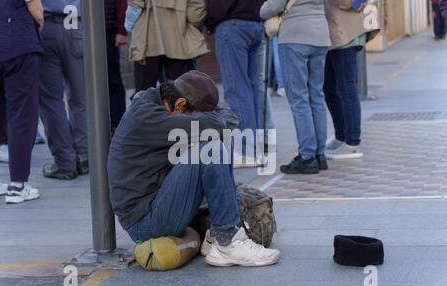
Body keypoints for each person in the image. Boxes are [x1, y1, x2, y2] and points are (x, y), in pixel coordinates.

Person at [107, 71, 280, 267]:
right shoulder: (147, 117)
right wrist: (199, 131)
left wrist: (195, 129)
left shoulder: (165, 102)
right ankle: (228, 241)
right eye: (193, 117)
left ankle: (219, 235)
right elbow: (219, 123)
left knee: (217, 141)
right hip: (145, 222)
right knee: (212, 148)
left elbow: (229, 118)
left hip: (160, 199)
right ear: (179, 104)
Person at [261, 0, 331, 175]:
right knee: (316, 96)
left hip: (295, 35)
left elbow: (273, 7)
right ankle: (319, 154)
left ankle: (307, 157)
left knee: (299, 98)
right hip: (320, 34)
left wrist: (262, 9)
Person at [205, 0, 265, 165]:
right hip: (256, 23)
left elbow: (219, 6)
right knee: (253, 89)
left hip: (233, 25)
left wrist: (210, 22)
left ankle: (246, 151)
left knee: (237, 90)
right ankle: (257, 147)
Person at [0, 0, 43, 203]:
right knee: (22, 114)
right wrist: (38, 22)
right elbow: (35, 7)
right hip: (17, 39)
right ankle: (17, 185)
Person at [323, 0, 379, 160]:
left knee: (346, 89)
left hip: (345, 33)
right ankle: (342, 136)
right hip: (335, 34)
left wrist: (356, 2)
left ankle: (352, 142)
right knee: (329, 88)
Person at [39, 0, 88, 180]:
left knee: (50, 100)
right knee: (81, 97)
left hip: (48, 24)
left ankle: (65, 162)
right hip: (78, 24)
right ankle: (84, 155)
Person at [124, 0, 209, 93]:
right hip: (179, 39)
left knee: (144, 94)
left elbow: (135, 5)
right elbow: (196, 11)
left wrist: (129, 25)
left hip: (147, 38)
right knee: (181, 91)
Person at [105, 0, 128, 132]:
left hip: (109, 31)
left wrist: (122, 30)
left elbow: (121, 3)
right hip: (83, 30)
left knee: (113, 80)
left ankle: (117, 123)